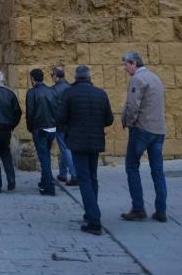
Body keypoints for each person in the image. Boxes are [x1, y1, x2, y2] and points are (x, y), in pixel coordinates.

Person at [59, 65, 114, 236]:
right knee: (92, 177)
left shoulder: (69, 93)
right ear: (90, 77)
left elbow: (61, 118)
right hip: (95, 141)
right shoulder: (101, 93)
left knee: (84, 179)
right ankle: (91, 212)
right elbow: (109, 119)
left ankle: (94, 220)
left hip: (77, 141)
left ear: (76, 77)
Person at [121, 52, 167, 222]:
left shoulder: (137, 79)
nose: (125, 69)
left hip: (142, 129)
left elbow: (133, 105)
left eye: (126, 65)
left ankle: (138, 208)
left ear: (134, 63)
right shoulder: (155, 77)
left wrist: (129, 122)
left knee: (131, 166)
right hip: (159, 129)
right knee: (158, 171)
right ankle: (161, 211)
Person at [26, 68, 58, 196]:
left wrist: (30, 128)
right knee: (46, 155)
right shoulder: (52, 91)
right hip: (52, 128)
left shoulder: (32, 93)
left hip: (40, 128)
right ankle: (44, 181)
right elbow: (57, 108)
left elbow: (30, 112)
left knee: (44, 157)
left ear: (32, 79)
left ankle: (49, 186)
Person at [51, 66, 78, 186]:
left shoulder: (54, 90)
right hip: (71, 122)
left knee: (65, 148)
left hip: (60, 123)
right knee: (65, 148)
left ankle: (74, 175)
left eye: (52, 75)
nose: (51, 77)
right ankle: (62, 173)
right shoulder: (70, 87)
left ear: (56, 76)